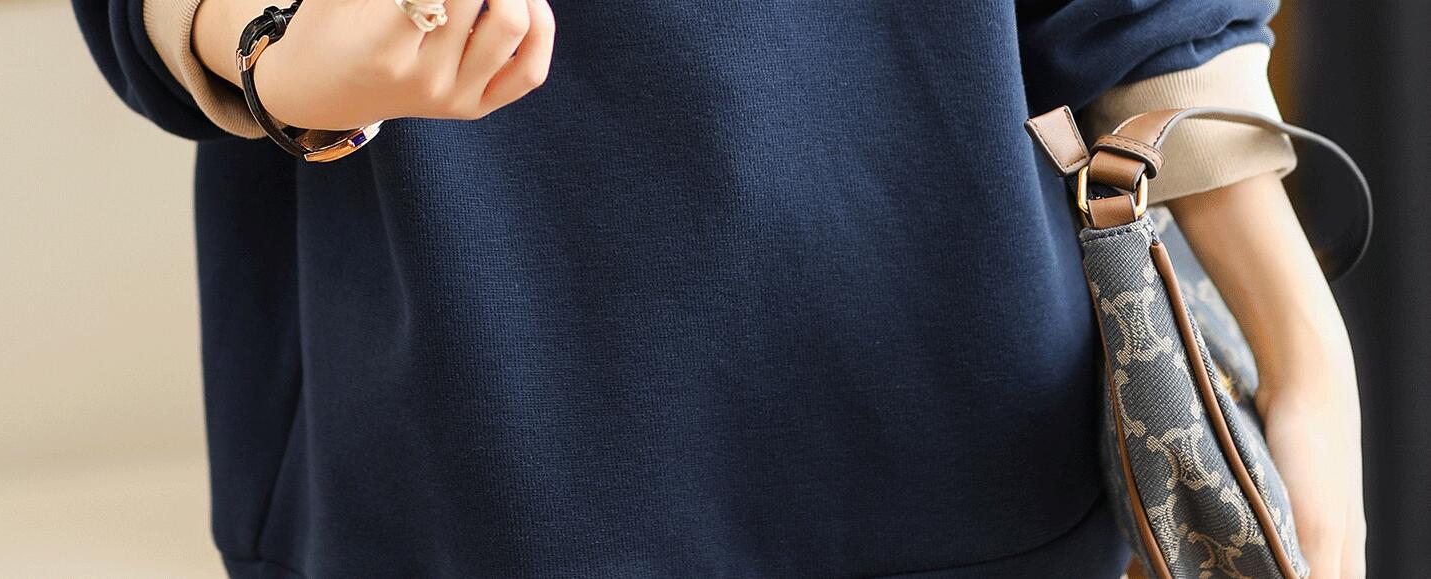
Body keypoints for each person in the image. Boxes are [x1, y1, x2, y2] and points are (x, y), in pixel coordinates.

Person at [72, 0, 1365, 576]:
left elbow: (1148, 16)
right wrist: (276, 41)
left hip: (968, 464)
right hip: (461, 472)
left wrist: (1304, 357)